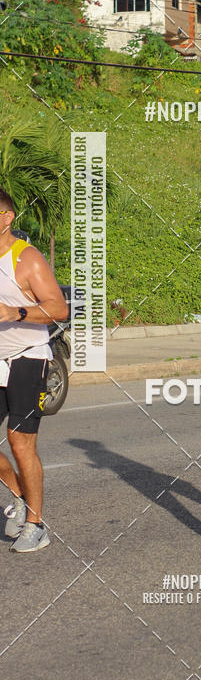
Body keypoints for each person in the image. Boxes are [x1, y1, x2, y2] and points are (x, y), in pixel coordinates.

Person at [0, 189, 69, 552]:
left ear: (7, 218)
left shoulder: (25, 259)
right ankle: (20, 494)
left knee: (19, 439)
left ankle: (36, 524)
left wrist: (17, 312)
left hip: (29, 355)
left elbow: (59, 309)